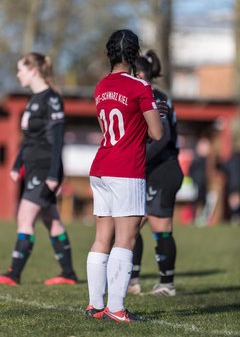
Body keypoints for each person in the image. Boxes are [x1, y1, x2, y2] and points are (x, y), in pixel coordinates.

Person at [85, 30, 163, 323]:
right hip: (126, 169)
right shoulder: (140, 86)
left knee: (101, 238)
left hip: (101, 166)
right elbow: (156, 133)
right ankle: (116, 308)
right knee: (126, 238)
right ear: (134, 54)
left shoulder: (100, 86)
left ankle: (95, 306)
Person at [0, 52, 78, 285]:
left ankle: (13, 274)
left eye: (21, 69)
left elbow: (57, 140)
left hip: (46, 169)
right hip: (34, 168)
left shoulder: (52, 99)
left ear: (33, 70)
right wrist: (17, 164)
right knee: (51, 219)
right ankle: (68, 273)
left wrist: (54, 174)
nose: (17, 74)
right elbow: (30, 138)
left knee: (25, 217)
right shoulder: (33, 99)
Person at [127, 50, 183, 296]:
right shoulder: (143, 95)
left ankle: (167, 284)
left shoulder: (156, 97)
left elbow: (162, 138)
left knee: (159, 226)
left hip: (163, 169)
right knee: (131, 224)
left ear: (139, 74)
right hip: (148, 170)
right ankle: (133, 280)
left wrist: (135, 159)